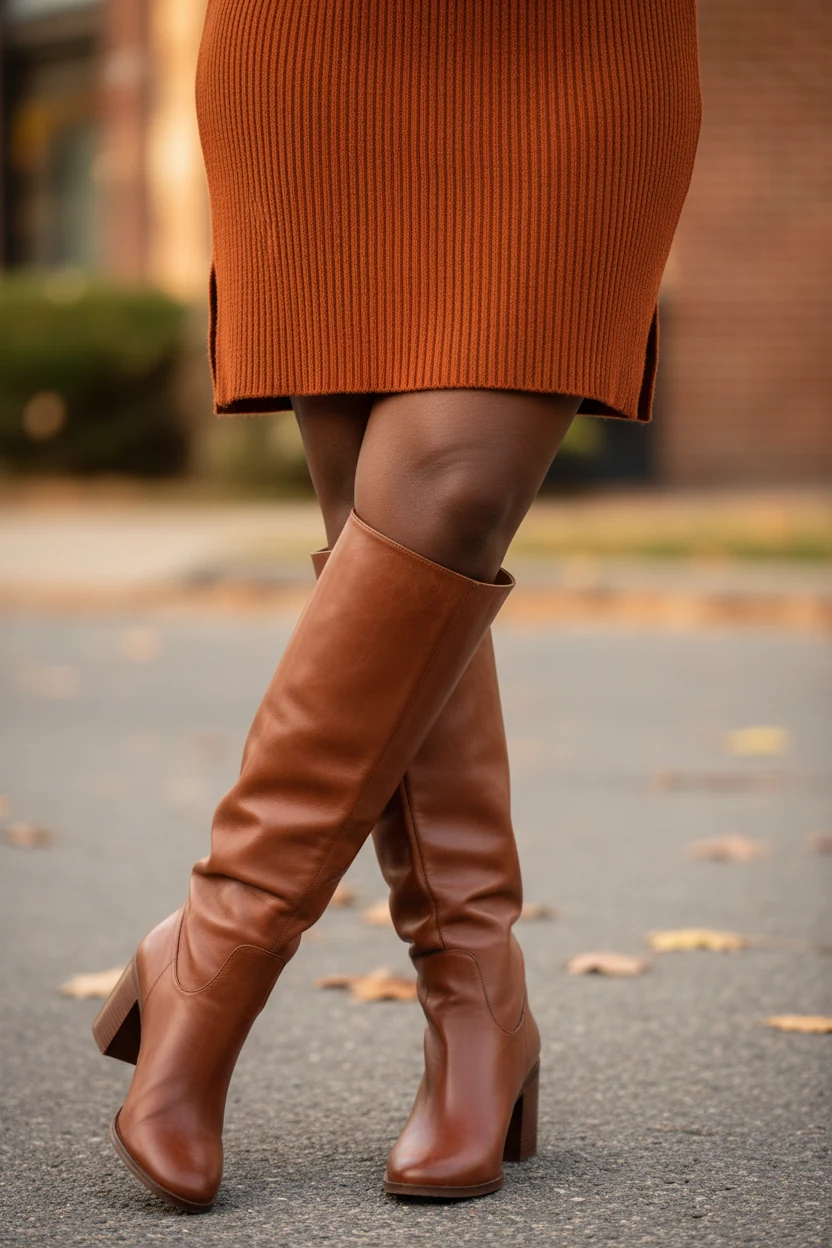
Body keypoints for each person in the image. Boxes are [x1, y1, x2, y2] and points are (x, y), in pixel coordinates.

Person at [93, 0, 701, 1211]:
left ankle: (211, 953)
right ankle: (477, 1000)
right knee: (395, 557)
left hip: (580, 45)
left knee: (446, 494)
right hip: (323, 47)